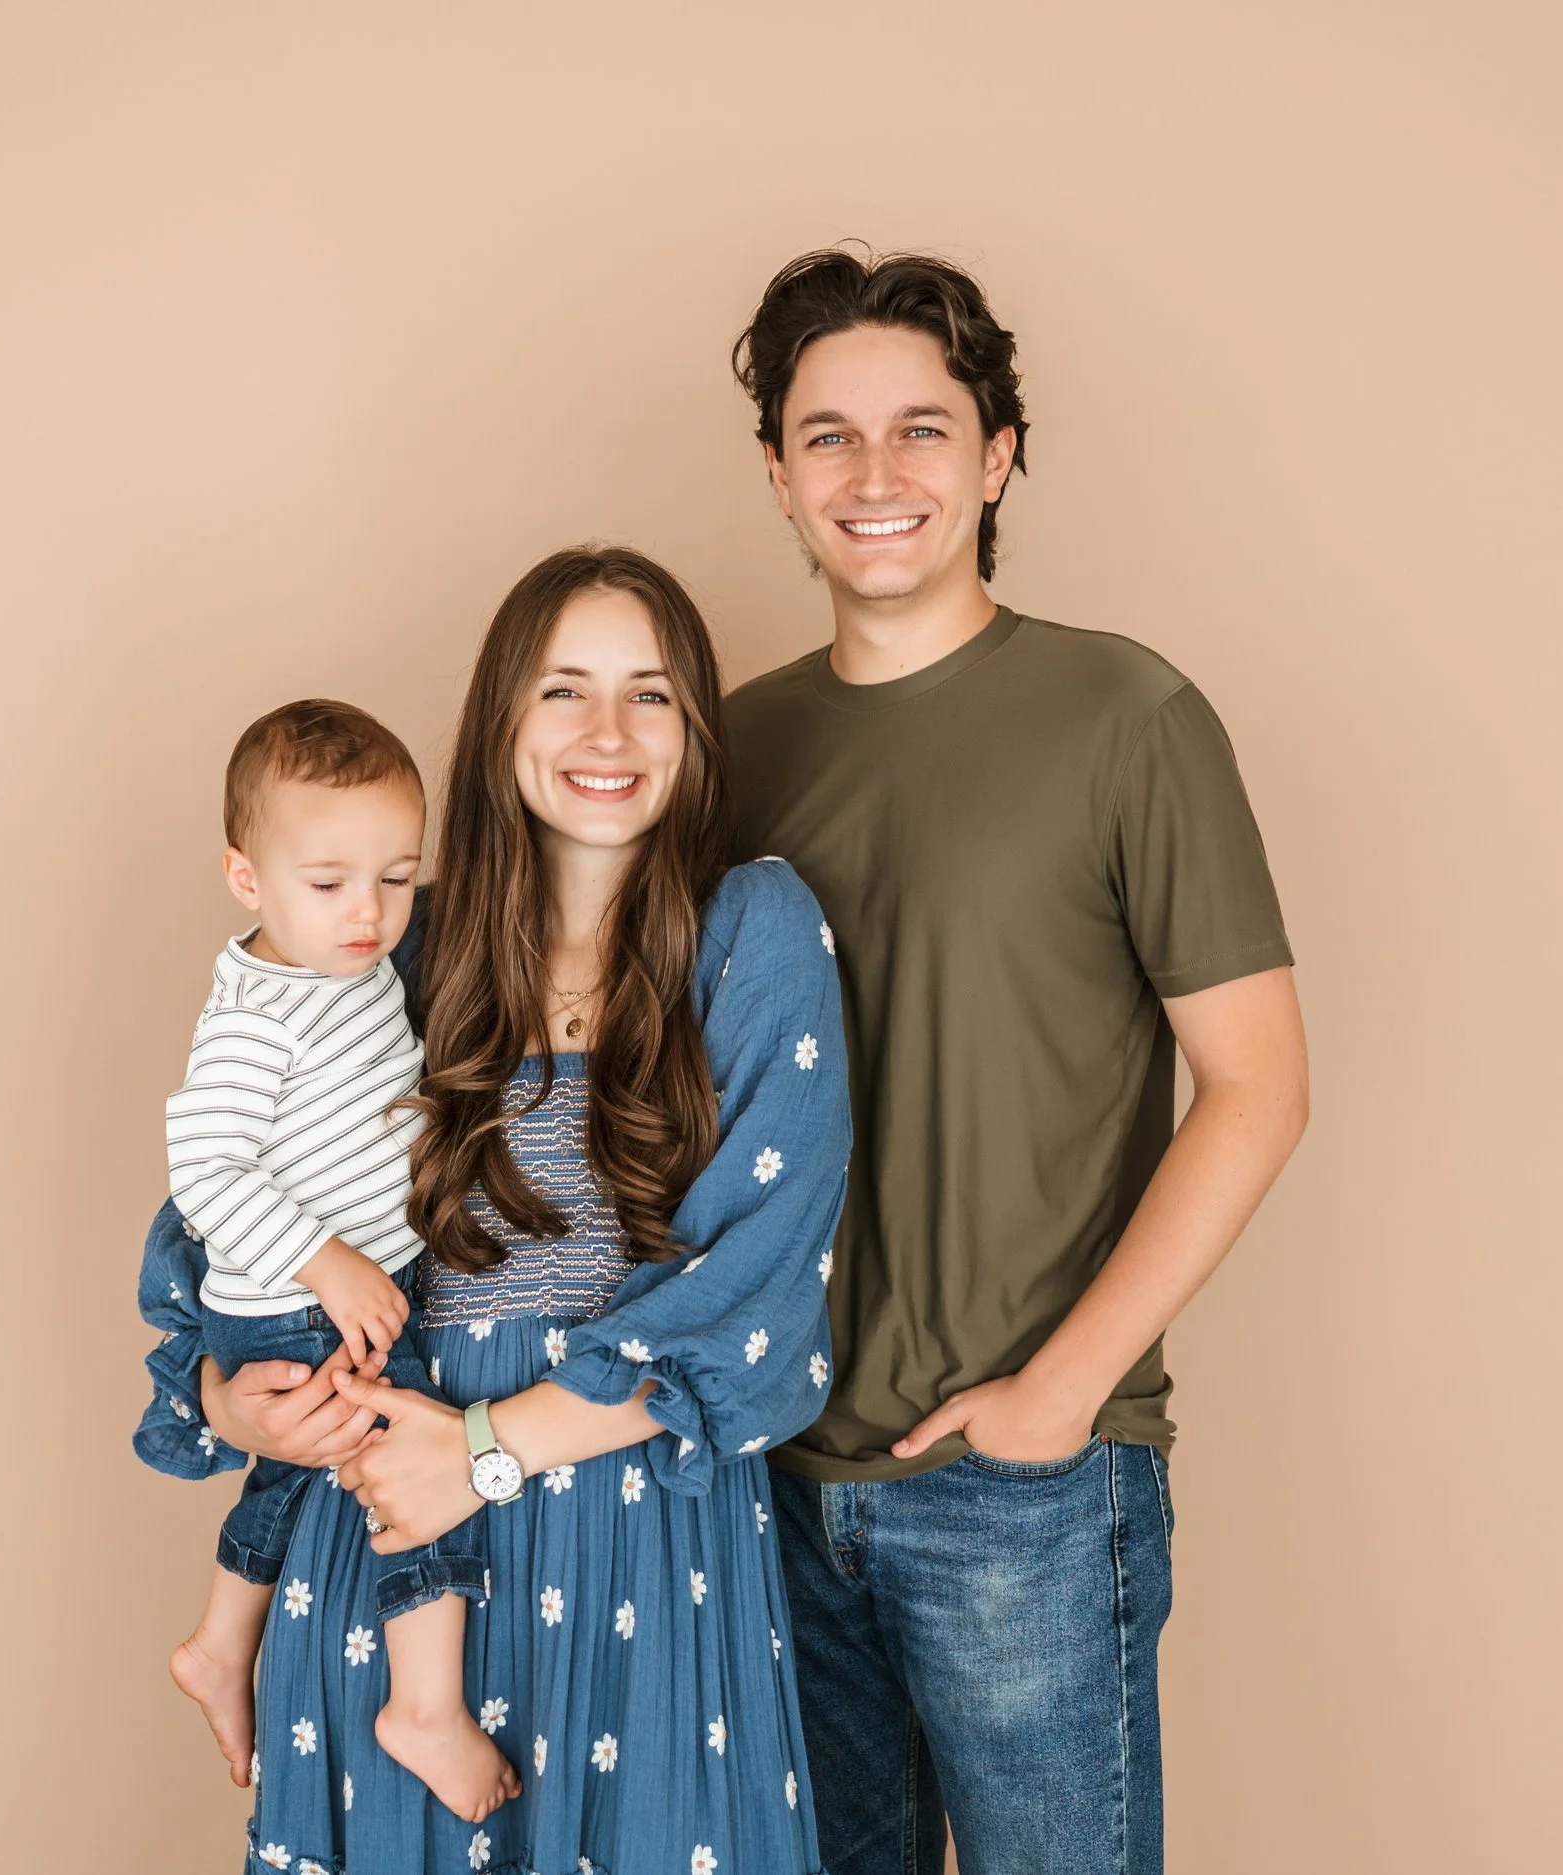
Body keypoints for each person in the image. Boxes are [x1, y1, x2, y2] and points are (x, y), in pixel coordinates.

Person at [724, 248, 1312, 1875]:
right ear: (778, 476)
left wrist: (1064, 1396)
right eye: (827, 435)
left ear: (996, 457)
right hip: (771, 1481)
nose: (876, 472)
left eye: (923, 428)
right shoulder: (726, 747)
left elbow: (1260, 1083)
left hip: (1022, 1496)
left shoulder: (1126, 715)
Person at [172, 545, 852, 1875]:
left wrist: (483, 1449)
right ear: (502, 722)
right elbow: (223, 1207)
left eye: (650, 695)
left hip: (644, 1538)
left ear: (694, 731)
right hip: (393, 1554)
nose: (608, 733)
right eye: (564, 691)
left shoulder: (753, 930)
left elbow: (759, 1297)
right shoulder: (401, 945)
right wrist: (226, 1396)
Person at [131, 700, 513, 1822]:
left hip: (335, 1284)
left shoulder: (351, 969)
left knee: (291, 1473)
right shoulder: (259, 1015)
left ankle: (217, 1643)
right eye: (331, 882)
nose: (371, 913)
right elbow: (204, 1174)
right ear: (247, 881)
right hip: (297, 1302)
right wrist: (326, 1262)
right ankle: (425, 1707)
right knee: (414, 1466)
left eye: (397, 878)